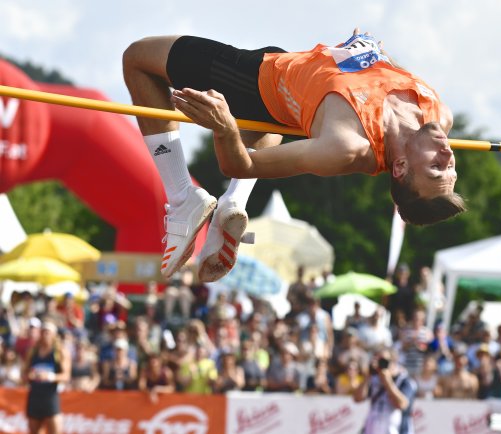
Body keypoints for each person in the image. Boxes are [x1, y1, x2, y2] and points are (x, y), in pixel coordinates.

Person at [122, 29, 466, 280]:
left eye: (437, 168)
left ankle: (182, 197)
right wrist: (366, 50)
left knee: (138, 59)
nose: (448, 156)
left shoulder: (346, 146)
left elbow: (240, 164)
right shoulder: (438, 112)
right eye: (452, 167)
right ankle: (232, 205)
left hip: (253, 80)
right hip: (291, 70)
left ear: (401, 167)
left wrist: (225, 127)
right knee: (280, 118)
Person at [21, 321, 71, 434]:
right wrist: (29, 376)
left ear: (54, 334)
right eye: (43, 332)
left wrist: (49, 376)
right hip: (34, 396)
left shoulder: (59, 352)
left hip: (50, 396)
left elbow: (66, 376)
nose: (45, 335)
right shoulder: (33, 351)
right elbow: (23, 374)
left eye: (48, 332)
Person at [354, 348, 417, 434]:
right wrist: (367, 377)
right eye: (377, 360)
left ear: (393, 362)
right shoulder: (374, 379)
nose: (379, 365)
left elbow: (402, 404)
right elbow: (358, 399)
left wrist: (387, 381)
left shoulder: (405, 381)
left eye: (383, 361)